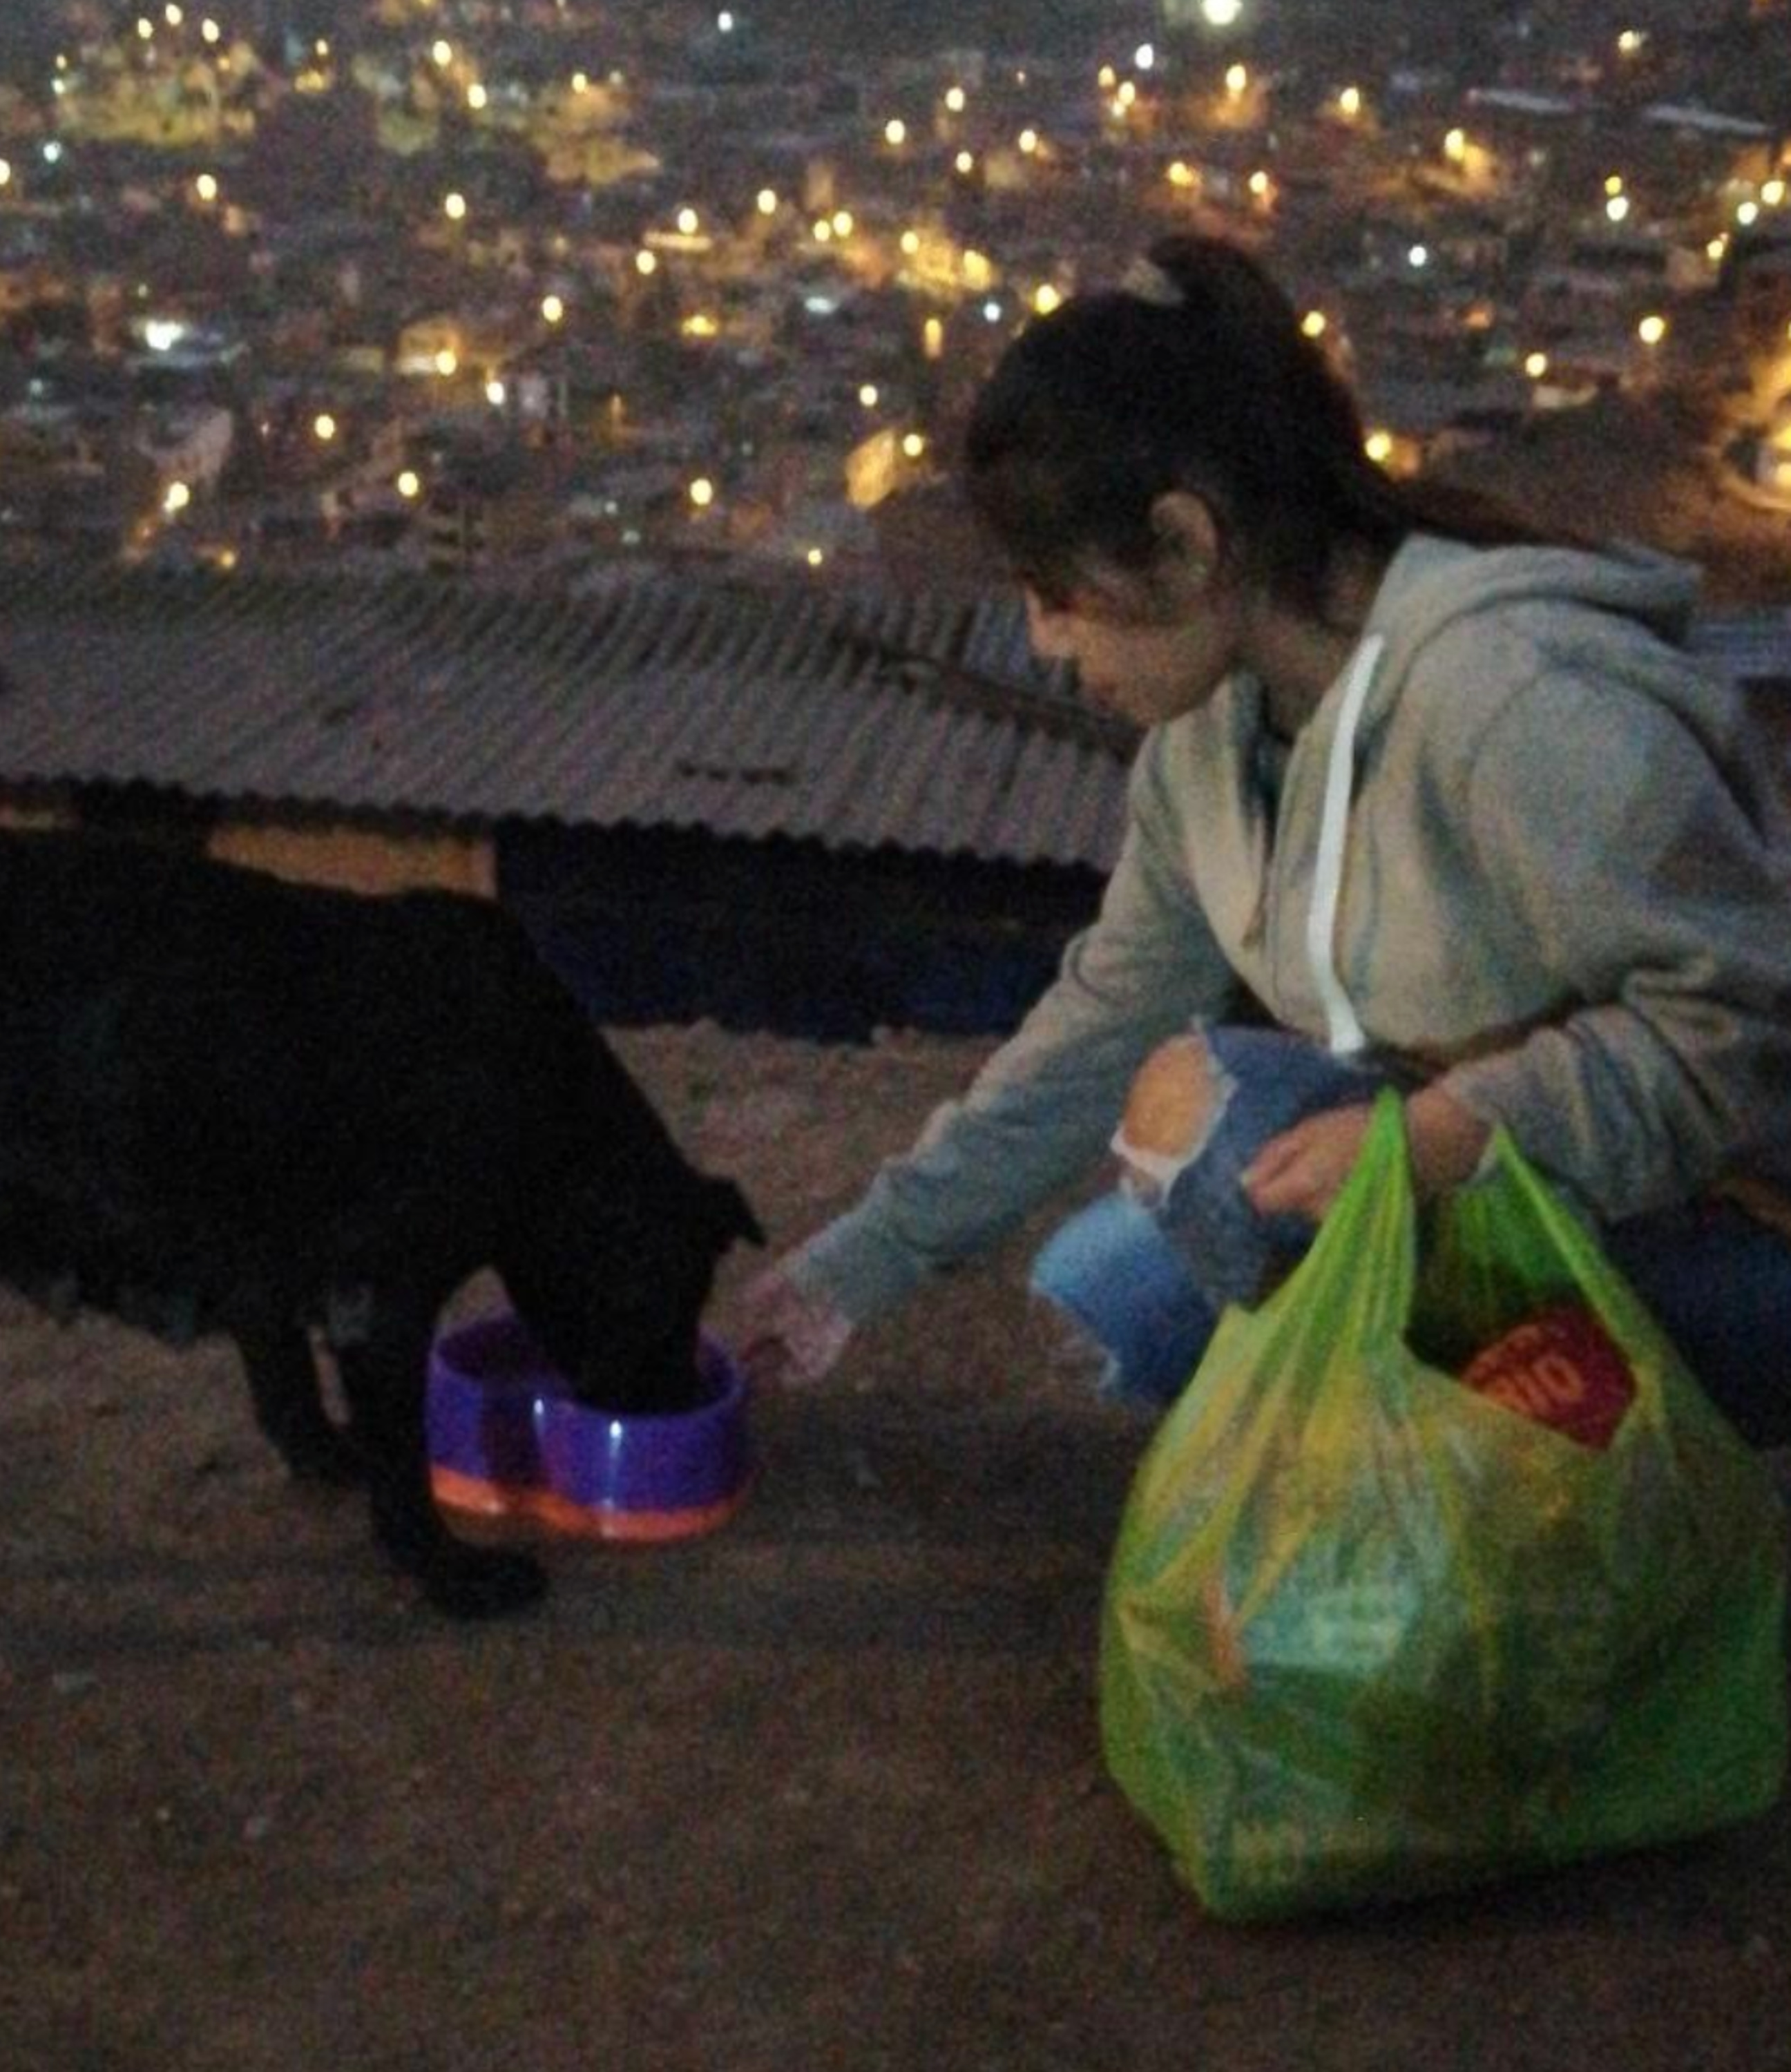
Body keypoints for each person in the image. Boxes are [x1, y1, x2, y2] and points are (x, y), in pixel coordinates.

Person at [736, 233, 1791, 1447]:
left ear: (1187, 543)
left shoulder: (1514, 701)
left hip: (1714, 1222)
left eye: (1058, 593)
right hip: (1498, 1202)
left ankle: (1525, 1462)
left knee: (1215, 1125)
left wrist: (1436, 1140)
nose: (1045, 641)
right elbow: (1104, 1022)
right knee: (1111, 1284)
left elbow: (1735, 1034)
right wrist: (860, 1262)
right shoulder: (1213, 738)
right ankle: (1420, 1438)